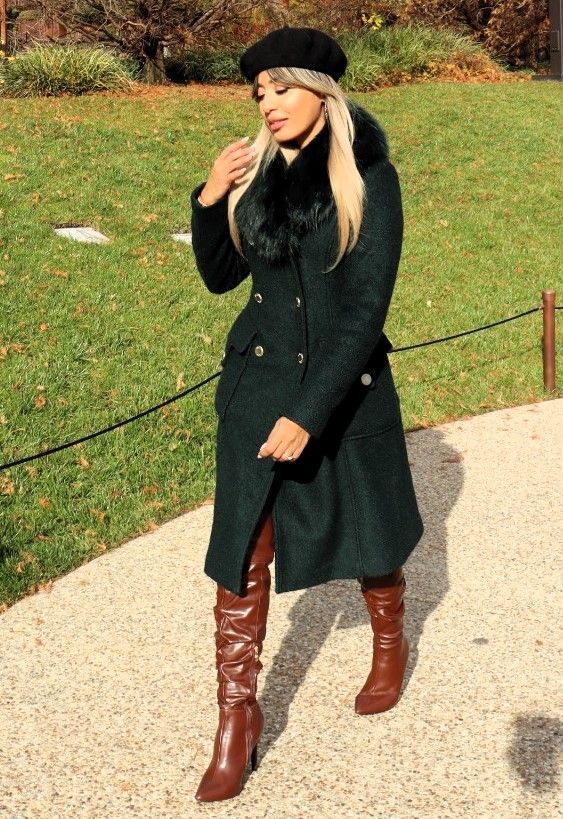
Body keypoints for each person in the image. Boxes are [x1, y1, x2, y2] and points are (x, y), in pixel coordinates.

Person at [189, 25, 424, 802]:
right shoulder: (256, 175)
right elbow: (220, 277)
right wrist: (210, 197)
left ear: (320, 92)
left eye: (281, 87)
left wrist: (309, 410)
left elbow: (363, 310)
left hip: (341, 387)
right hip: (256, 384)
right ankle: (236, 715)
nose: (268, 102)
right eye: (259, 91)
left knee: (369, 530)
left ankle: (388, 641)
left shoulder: (368, 178)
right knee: (242, 546)